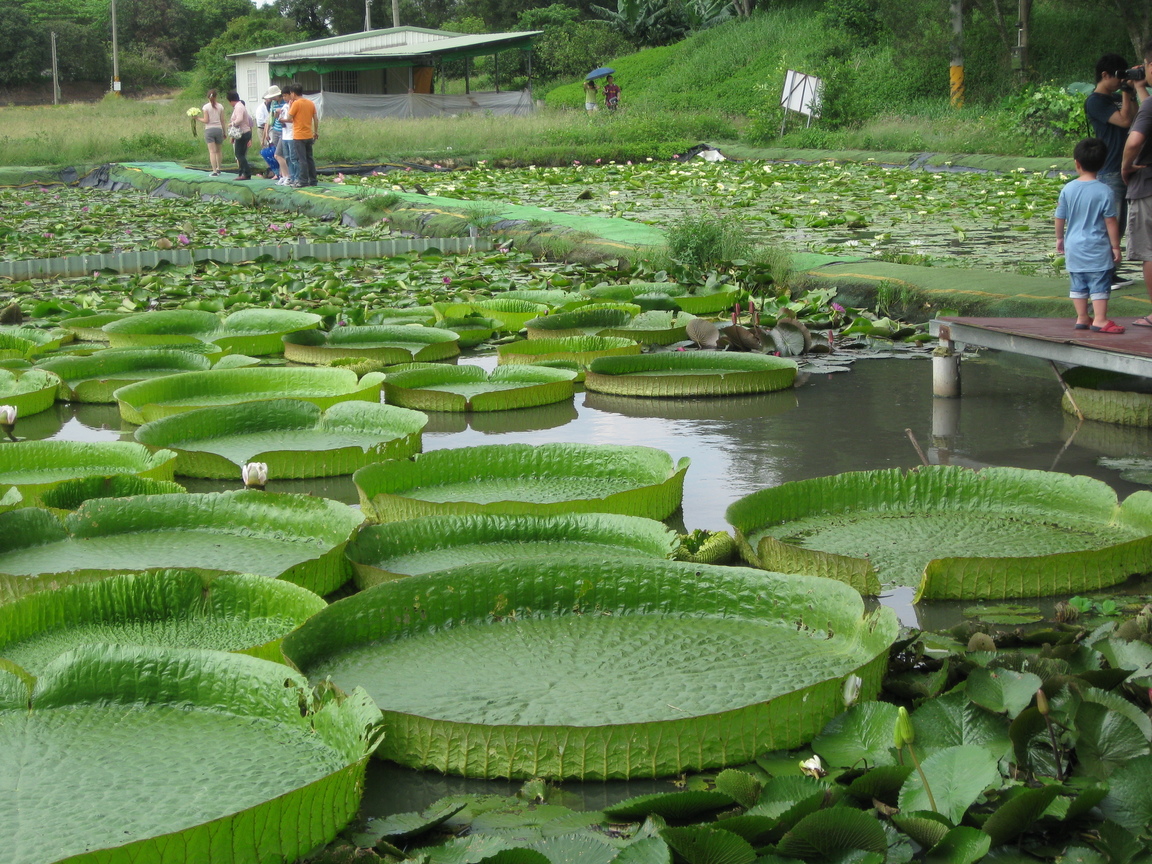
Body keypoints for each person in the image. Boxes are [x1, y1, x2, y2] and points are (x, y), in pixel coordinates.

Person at [1056, 138, 1124, 333]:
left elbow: (1060, 216)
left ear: (1077, 163)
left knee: (1078, 282)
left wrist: (1060, 238)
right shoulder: (1105, 191)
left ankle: (1082, 317)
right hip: (1097, 246)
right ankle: (1100, 319)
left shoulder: (1068, 188)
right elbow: (1110, 220)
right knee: (1099, 282)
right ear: (1102, 163)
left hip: (1074, 246)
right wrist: (1115, 246)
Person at [1085, 54, 1141, 288]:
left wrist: (1134, 87)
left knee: (1120, 224)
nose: (1120, 81)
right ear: (1104, 75)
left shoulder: (1118, 97)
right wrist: (1128, 93)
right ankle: (1104, 274)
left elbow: (1138, 116)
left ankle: (1112, 272)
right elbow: (1125, 121)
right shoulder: (1095, 101)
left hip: (1126, 167)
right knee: (1112, 223)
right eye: (1118, 76)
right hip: (1110, 169)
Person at [1122, 41, 1152, 326]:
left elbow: (1135, 139)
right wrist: (1141, 88)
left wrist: (1125, 167)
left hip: (1148, 186)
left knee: (1150, 251)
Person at [286, 83, 319, 187]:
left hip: (299, 136)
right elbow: (316, 119)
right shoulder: (310, 103)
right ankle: (313, 180)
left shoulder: (296, 104)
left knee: (302, 159)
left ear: (293, 93)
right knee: (310, 158)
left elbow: (288, 118)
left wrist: (290, 106)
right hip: (309, 134)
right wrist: (315, 132)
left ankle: (303, 181)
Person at [262, 85, 290, 184]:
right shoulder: (273, 103)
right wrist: (267, 131)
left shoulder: (285, 102)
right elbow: (272, 118)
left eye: (274, 96)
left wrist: (280, 112)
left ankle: (287, 176)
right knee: (277, 154)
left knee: (279, 154)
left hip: (284, 131)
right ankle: (282, 175)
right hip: (276, 129)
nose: (273, 98)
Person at [194, 90, 227, 176]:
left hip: (209, 130)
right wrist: (224, 131)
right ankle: (219, 168)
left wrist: (197, 118)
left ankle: (214, 171)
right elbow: (222, 120)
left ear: (207, 97)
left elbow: (206, 120)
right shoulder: (220, 106)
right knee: (219, 151)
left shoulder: (206, 107)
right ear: (216, 97)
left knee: (212, 152)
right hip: (219, 129)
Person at [225, 90, 253, 181]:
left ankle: (246, 173)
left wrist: (232, 124)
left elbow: (240, 119)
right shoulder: (240, 106)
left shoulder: (238, 107)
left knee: (239, 154)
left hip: (243, 133)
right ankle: (241, 172)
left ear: (231, 100)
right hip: (243, 132)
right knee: (241, 154)